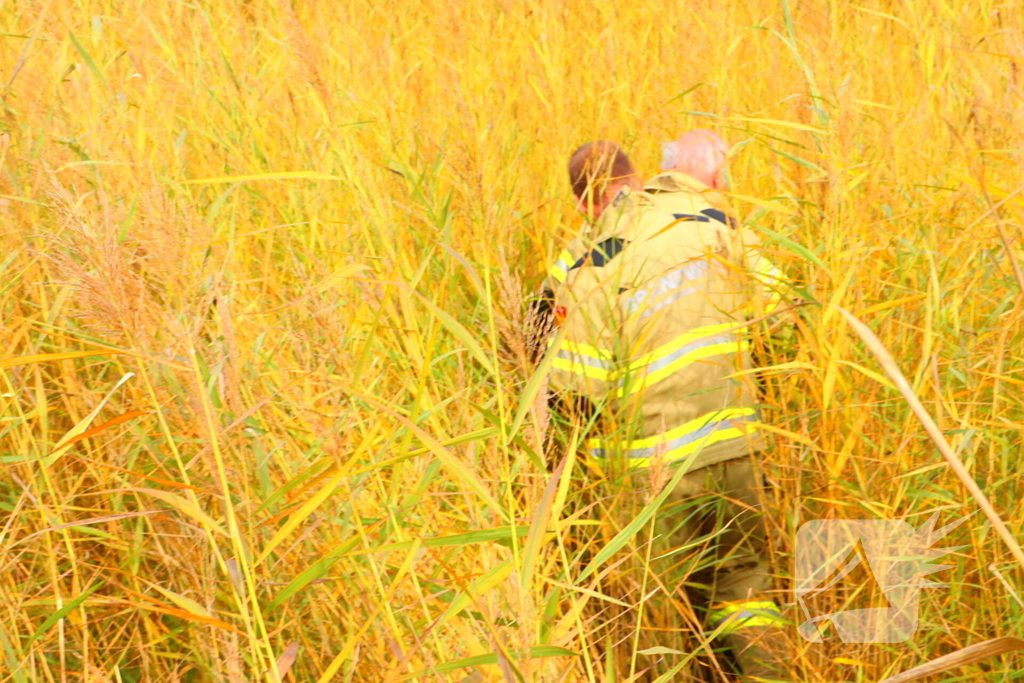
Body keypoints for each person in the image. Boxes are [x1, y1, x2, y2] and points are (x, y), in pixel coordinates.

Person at [543, 132, 788, 681]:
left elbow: (579, 388)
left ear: (585, 202)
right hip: (737, 447)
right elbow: (782, 317)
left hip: (655, 474)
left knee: (656, 621)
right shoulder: (708, 219)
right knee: (745, 588)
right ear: (635, 178)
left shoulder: (591, 261)